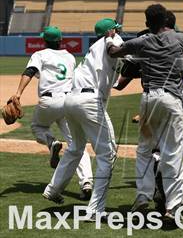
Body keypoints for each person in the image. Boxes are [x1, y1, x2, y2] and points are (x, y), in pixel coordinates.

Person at [107, 4, 183, 220]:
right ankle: (173, 206)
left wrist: (110, 37)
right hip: (171, 99)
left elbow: (114, 52)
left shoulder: (142, 41)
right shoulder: (180, 39)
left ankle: (142, 196)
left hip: (148, 99)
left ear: (147, 23)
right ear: (167, 20)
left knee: (144, 150)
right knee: (173, 152)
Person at [43, 18, 124, 219]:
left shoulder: (93, 48)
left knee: (76, 147)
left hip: (71, 100)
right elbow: (114, 48)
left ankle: (53, 189)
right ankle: (96, 209)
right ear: (110, 32)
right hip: (89, 99)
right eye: (115, 30)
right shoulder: (110, 40)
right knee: (108, 154)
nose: (117, 32)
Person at [14, 26, 93, 199]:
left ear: (44, 41)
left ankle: (52, 142)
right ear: (60, 40)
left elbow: (30, 71)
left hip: (49, 102)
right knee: (77, 143)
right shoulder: (70, 57)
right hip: (69, 101)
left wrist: (18, 93)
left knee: (38, 127)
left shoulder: (40, 54)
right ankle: (86, 181)